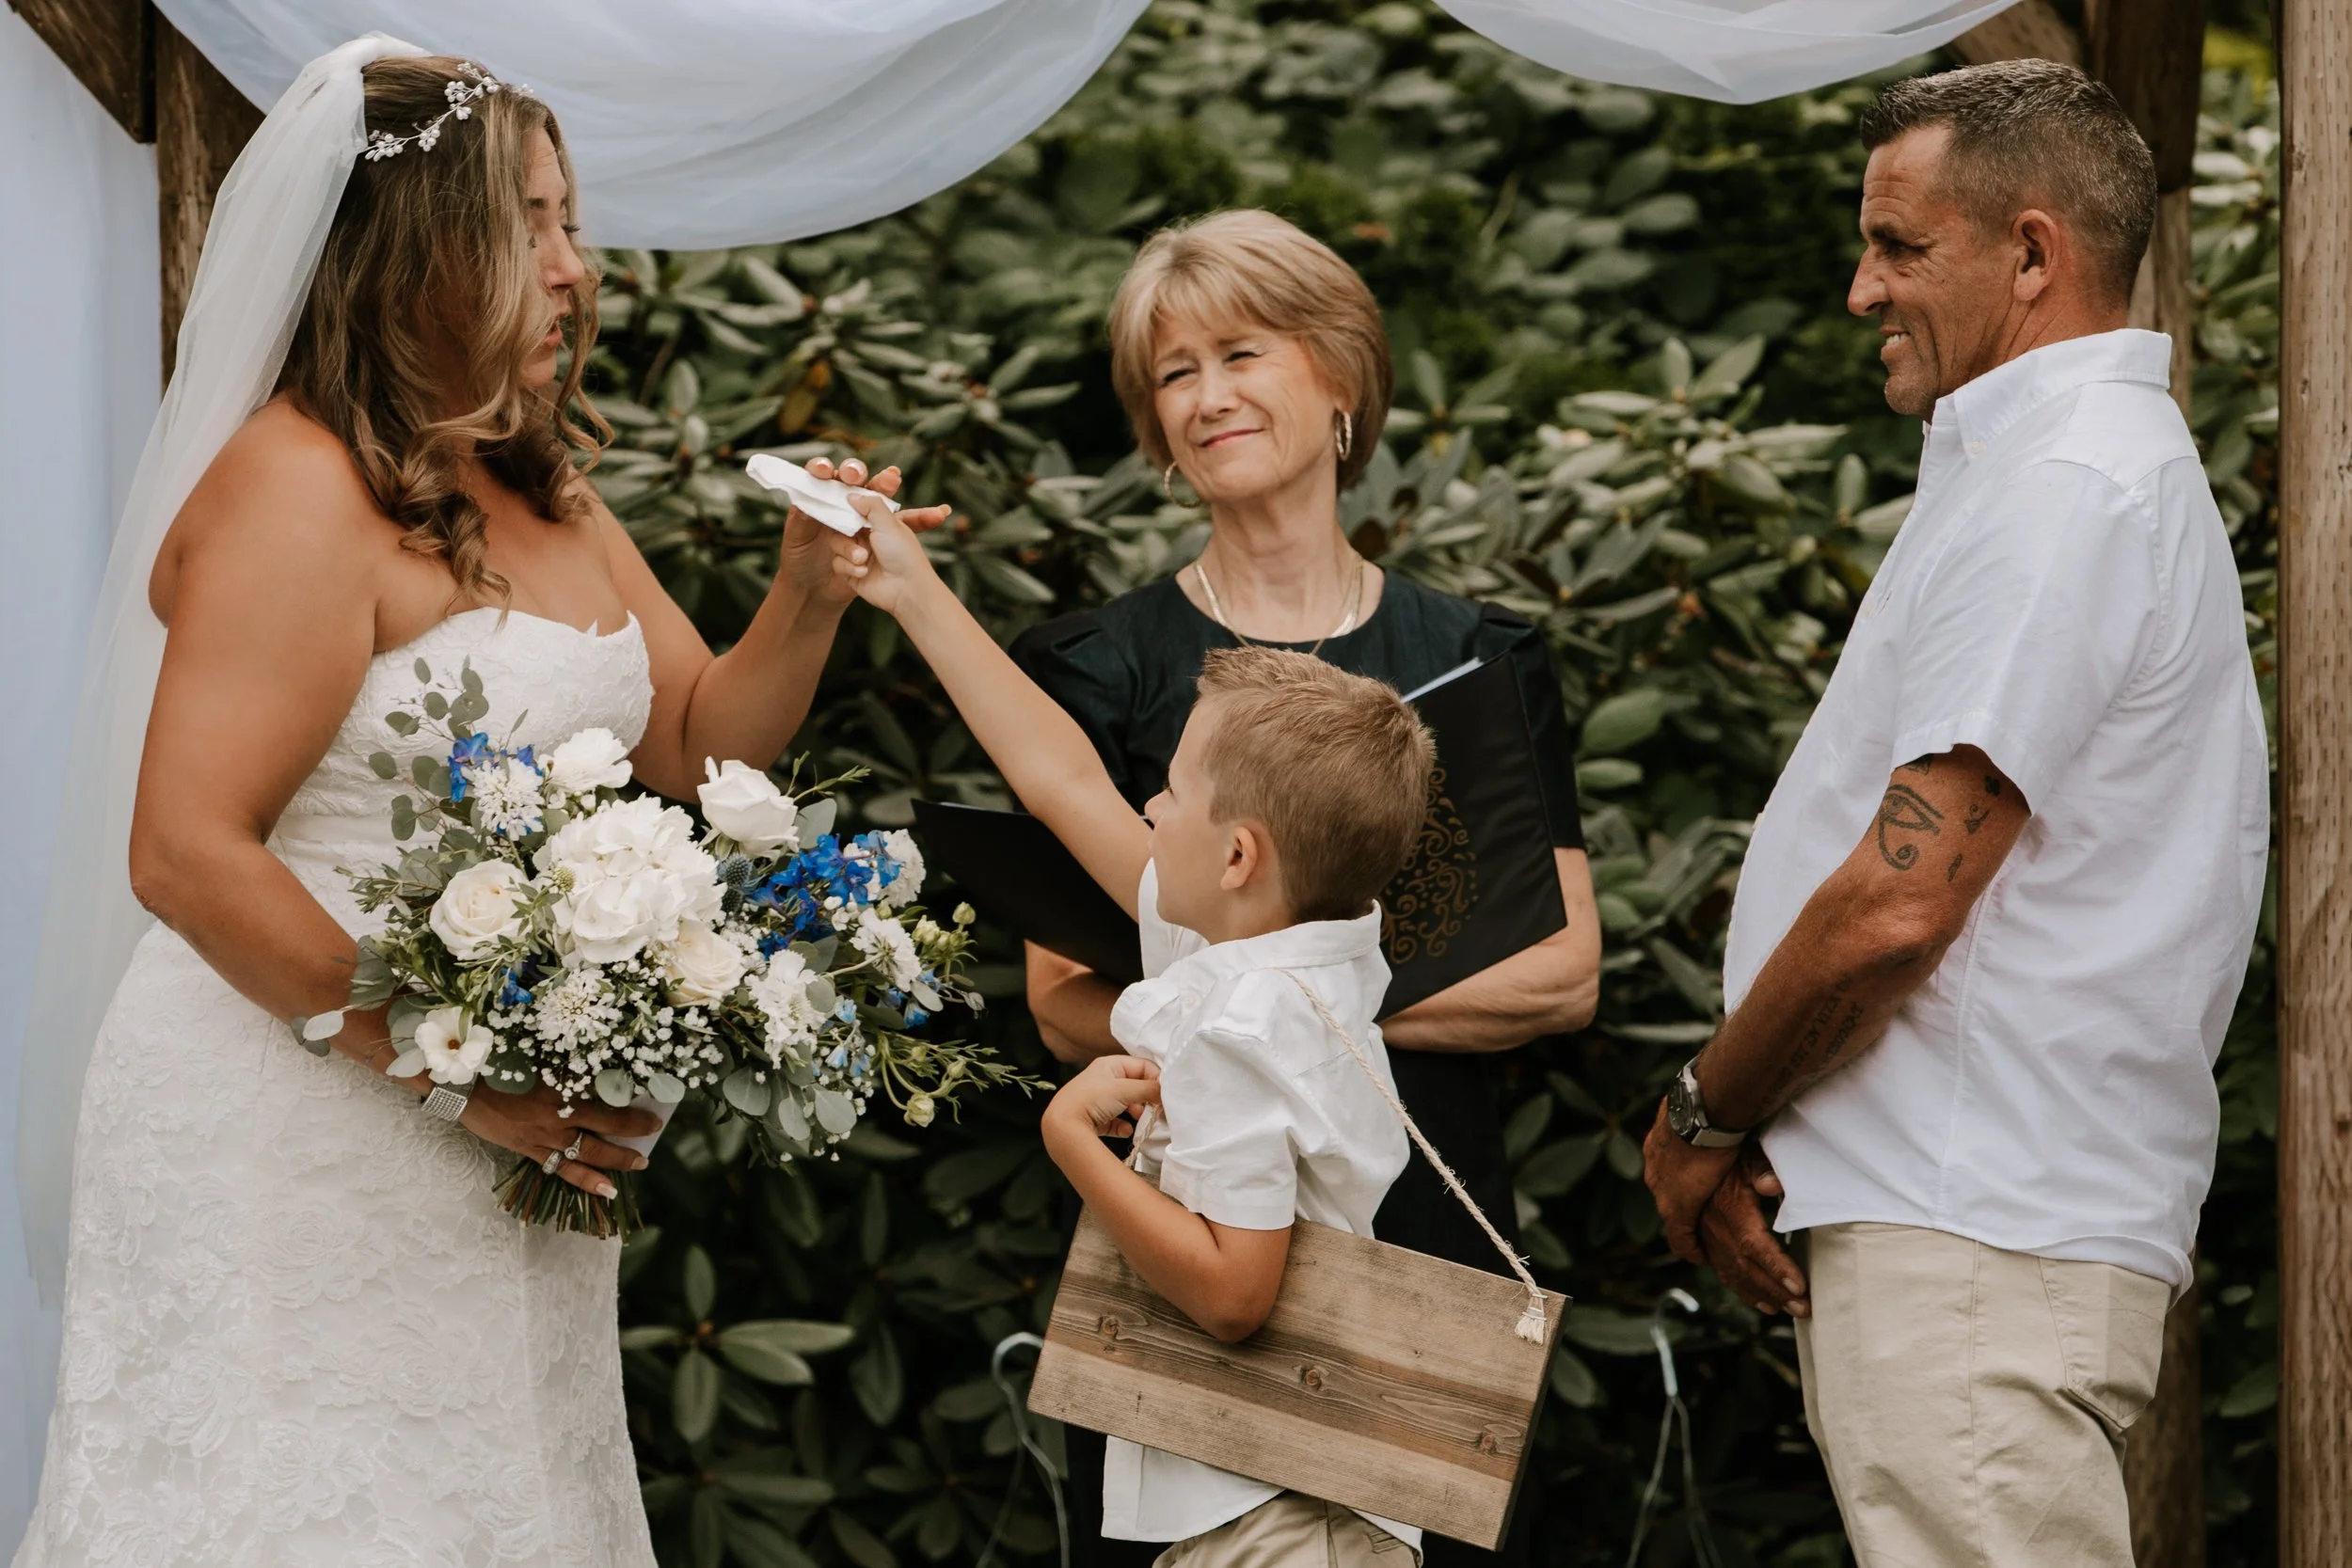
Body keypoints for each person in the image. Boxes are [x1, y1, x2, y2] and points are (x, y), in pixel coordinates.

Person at [12, 45, 930, 1564]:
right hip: (287, 1123)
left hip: (501, 1134)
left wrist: (807, 594)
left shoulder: (539, 484)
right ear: (417, 245)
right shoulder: (296, 488)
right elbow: (184, 851)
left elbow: (701, 745)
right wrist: (457, 1077)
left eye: (572, 221)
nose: (576, 268)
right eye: (533, 223)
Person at [1639, 60, 2267, 1568]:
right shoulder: (2062, 471)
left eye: (1901, 247)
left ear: (2036, 254)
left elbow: (1903, 899)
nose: (1861, 290)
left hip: (1976, 1242)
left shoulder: (2063, 486)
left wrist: (1698, 1116)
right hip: (1968, 1218)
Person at [1003, 209, 1599, 1568]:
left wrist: (1265, 1023)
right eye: (1172, 373)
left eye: (1242, 352)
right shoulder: (1102, 667)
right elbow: (1061, 1000)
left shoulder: (1477, 657)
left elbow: (1561, 966)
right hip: (1192, 1226)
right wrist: (1301, 1031)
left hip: (1423, 1238)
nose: (1208, 396)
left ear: (1338, 375)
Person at [833, 466, 1438, 1564]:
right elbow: (1061, 778)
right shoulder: (1305, 943)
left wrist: (1069, 1137)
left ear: (1240, 854)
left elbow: (1235, 1292)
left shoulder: (1237, 1015)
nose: (1147, 802)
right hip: (1298, 1486)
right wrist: (912, 586)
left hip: (1267, 1507)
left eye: (1168, 787)